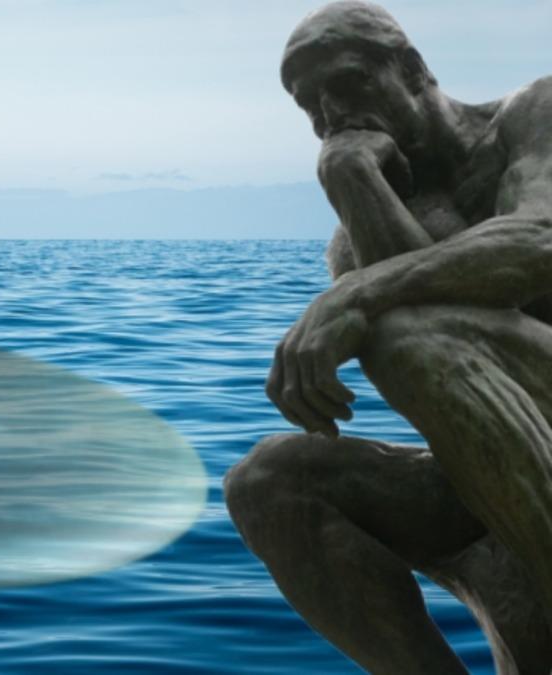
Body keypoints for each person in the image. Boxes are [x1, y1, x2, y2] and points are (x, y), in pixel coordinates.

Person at [222, 2, 552, 673]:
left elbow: (539, 241)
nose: (331, 114)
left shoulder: (532, 114)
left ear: (412, 68)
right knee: (268, 481)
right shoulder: (353, 239)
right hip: (498, 466)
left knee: (401, 329)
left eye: (347, 82)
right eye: (309, 104)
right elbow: (432, 338)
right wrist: (351, 180)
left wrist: (361, 293)